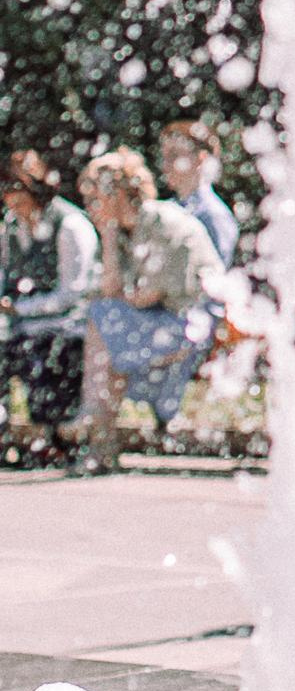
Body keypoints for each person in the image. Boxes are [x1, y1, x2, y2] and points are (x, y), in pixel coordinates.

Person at [77, 147, 220, 462]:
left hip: (194, 323)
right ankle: (99, 430)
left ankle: (97, 428)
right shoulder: (123, 230)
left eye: (94, 197)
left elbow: (146, 295)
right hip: (161, 320)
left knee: (102, 326)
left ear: (117, 194)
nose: (89, 208)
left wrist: (119, 298)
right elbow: (112, 292)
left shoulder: (159, 220)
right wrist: (110, 236)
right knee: (102, 322)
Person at [1, 150, 97, 444]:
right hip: (22, 324)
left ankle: (53, 436)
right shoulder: (11, 226)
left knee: (44, 351)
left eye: (15, 189)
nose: (9, 199)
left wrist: (21, 308)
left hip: (67, 324)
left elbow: (73, 292)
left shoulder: (68, 224)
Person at [157, 117, 239, 271]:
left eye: (173, 156)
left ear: (201, 159)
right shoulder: (170, 208)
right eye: (164, 156)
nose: (165, 165)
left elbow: (216, 276)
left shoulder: (213, 214)